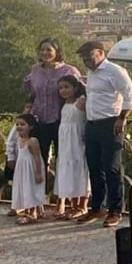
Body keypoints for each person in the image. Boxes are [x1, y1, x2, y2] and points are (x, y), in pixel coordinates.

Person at [75, 40, 132, 228]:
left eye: (90, 55)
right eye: (84, 57)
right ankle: (96, 207)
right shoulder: (92, 73)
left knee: (112, 168)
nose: (87, 60)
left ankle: (115, 210)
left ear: (101, 53)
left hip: (110, 123)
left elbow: (130, 95)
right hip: (93, 123)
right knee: (94, 167)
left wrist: (122, 118)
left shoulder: (115, 71)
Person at [21, 39, 82, 203]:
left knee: (63, 160)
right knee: (38, 159)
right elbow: (31, 92)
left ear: (57, 51)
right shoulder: (35, 71)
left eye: (49, 50)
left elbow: (80, 91)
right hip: (39, 119)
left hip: (61, 121)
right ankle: (36, 201)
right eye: (42, 50)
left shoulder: (68, 70)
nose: (45, 53)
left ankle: (62, 200)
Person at [53, 75, 90, 219]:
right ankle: (73, 205)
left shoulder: (81, 101)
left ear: (75, 87)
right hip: (65, 143)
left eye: (67, 87)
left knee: (80, 170)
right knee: (68, 172)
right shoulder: (65, 104)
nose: (63, 90)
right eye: (61, 88)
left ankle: (82, 206)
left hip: (77, 142)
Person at [11, 113, 47, 224]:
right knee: (24, 189)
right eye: (17, 124)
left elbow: (36, 157)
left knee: (31, 189)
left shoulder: (33, 141)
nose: (19, 126)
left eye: (23, 124)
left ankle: (32, 212)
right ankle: (27, 210)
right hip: (22, 170)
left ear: (30, 126)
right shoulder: (19, 140)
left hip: (31, 170)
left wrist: (38, 173)